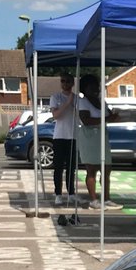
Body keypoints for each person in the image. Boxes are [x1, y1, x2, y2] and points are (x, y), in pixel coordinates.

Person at [77, 74, 121, 208]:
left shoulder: (102, 101)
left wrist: (114, 116)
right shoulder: (82, 102)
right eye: (92, 86)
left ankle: (106, 198)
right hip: (90, 137)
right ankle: (93, 200)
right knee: (92, 169)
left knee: (107, 168)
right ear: (85, 88)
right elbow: (86, 120)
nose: (96, 89)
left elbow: (108, 116)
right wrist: (106, 118)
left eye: (97, 86)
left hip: (102, 136)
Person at [47, 73, 78, 206]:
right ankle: (58, 194)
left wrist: (73, 102)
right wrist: (67, 103)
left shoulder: (77, 98)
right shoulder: (56, 97)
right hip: (59, 136)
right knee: (58, 167)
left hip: (72, 136)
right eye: (62, 81)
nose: (65, 83)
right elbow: (56, 116)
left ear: (72, 83)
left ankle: (71, 193)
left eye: (68, 81)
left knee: (71, 168)